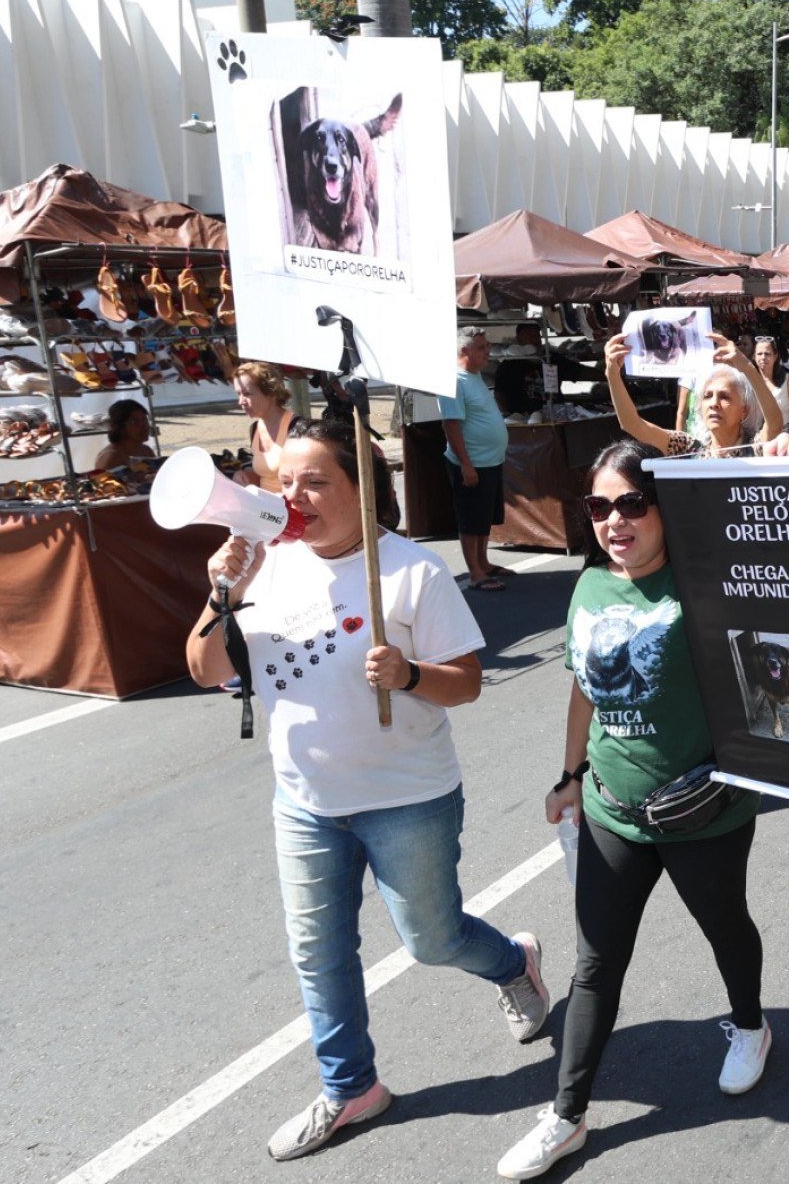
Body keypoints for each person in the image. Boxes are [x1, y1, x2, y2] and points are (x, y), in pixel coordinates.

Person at [185, 419, 548, 1164]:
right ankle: (351, 1086)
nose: (294, 497)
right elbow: (201, 667)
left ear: (363, 487)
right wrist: (223, 592)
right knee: (318, 952)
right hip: (305, 802)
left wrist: (410, 675)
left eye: (314, 481)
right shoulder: (263, 564)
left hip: (407, 798)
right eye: (284, 482)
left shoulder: (412, 571)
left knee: (433, 940)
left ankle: (514, 962)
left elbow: (469, 683)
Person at [497, 441, 768, 1179]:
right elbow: (583, 685)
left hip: (702, 809)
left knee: (725, 927)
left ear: (663, 508)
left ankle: (751, 1025)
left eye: (631, 503)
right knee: (594, 963)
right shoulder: (589, 586)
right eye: (598, 506)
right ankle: (566, 1115)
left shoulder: (706, 585)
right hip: (613, 808)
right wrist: (568, 773)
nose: (614, 520)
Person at [606, 332, 785, 457]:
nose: (714, 403)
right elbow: (632, 424)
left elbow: (775, 423)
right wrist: (612, 374)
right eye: (707, 396)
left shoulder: (755, 447)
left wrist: (746, 366)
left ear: (744, 411)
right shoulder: (688, 448)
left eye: (724, 397)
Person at [441, 328, 511, 591]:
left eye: (488, 346)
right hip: (471, 463)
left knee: (484, 517)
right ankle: (475, 573)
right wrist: (467, 465)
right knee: (471, 519)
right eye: (481, 347)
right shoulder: (454, 381)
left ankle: (484, 563)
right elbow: (451, 426)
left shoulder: (475, 376)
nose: (488, 352)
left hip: (490, 460)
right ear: (464, 351)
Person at [231, 362, 297, 491]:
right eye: (239, 394)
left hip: (292, 507)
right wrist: (245, 476)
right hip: (268, 508)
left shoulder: (296, 427)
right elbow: (266, 476)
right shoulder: (255, 428)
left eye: (247, 394)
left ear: (271, 392)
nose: (241, 402)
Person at [752, 335, 789, 427]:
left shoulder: (787, 380)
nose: (763, 357)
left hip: (784, 434)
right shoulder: (749, 380)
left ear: (775, 356)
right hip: (757, 437)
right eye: (759, 354)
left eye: (767, 354)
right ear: (754, 357)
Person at [93, 398, 155, 470]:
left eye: (144, 419)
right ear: (119, 427)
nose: (144, 426)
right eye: (135, 422)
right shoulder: (111, 456)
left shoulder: (146, 450)